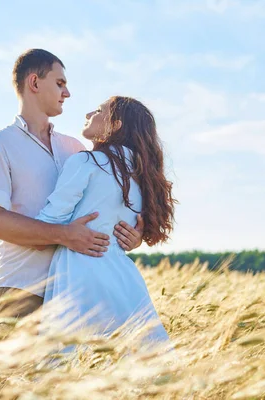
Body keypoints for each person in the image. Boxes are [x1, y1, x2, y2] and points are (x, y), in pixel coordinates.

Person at [0, 49, 144, 319]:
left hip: (74, 292)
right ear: (34, 83)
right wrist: (63, 234)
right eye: (60, 83)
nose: (67, 93)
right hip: (18, 289)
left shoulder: (76, 148)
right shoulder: (0, 144)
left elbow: (102, 209)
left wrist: (130, 236)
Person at [35, 96, 177, 345]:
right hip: (124, 278)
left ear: (116, 125)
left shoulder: (85, 161)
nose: (89, 113)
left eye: (99, 110)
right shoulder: (144, 176)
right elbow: (131, 229)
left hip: (81, 271)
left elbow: (49, 221)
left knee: (68, 365)